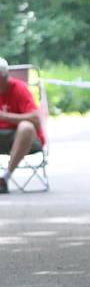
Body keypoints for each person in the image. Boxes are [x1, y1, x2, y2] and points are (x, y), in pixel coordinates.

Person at [0, 56, 44, 194]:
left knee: (26, 127)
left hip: (22, 138)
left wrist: (5, 117)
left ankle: (5, 178)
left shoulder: (19, 88)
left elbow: (36, 118)